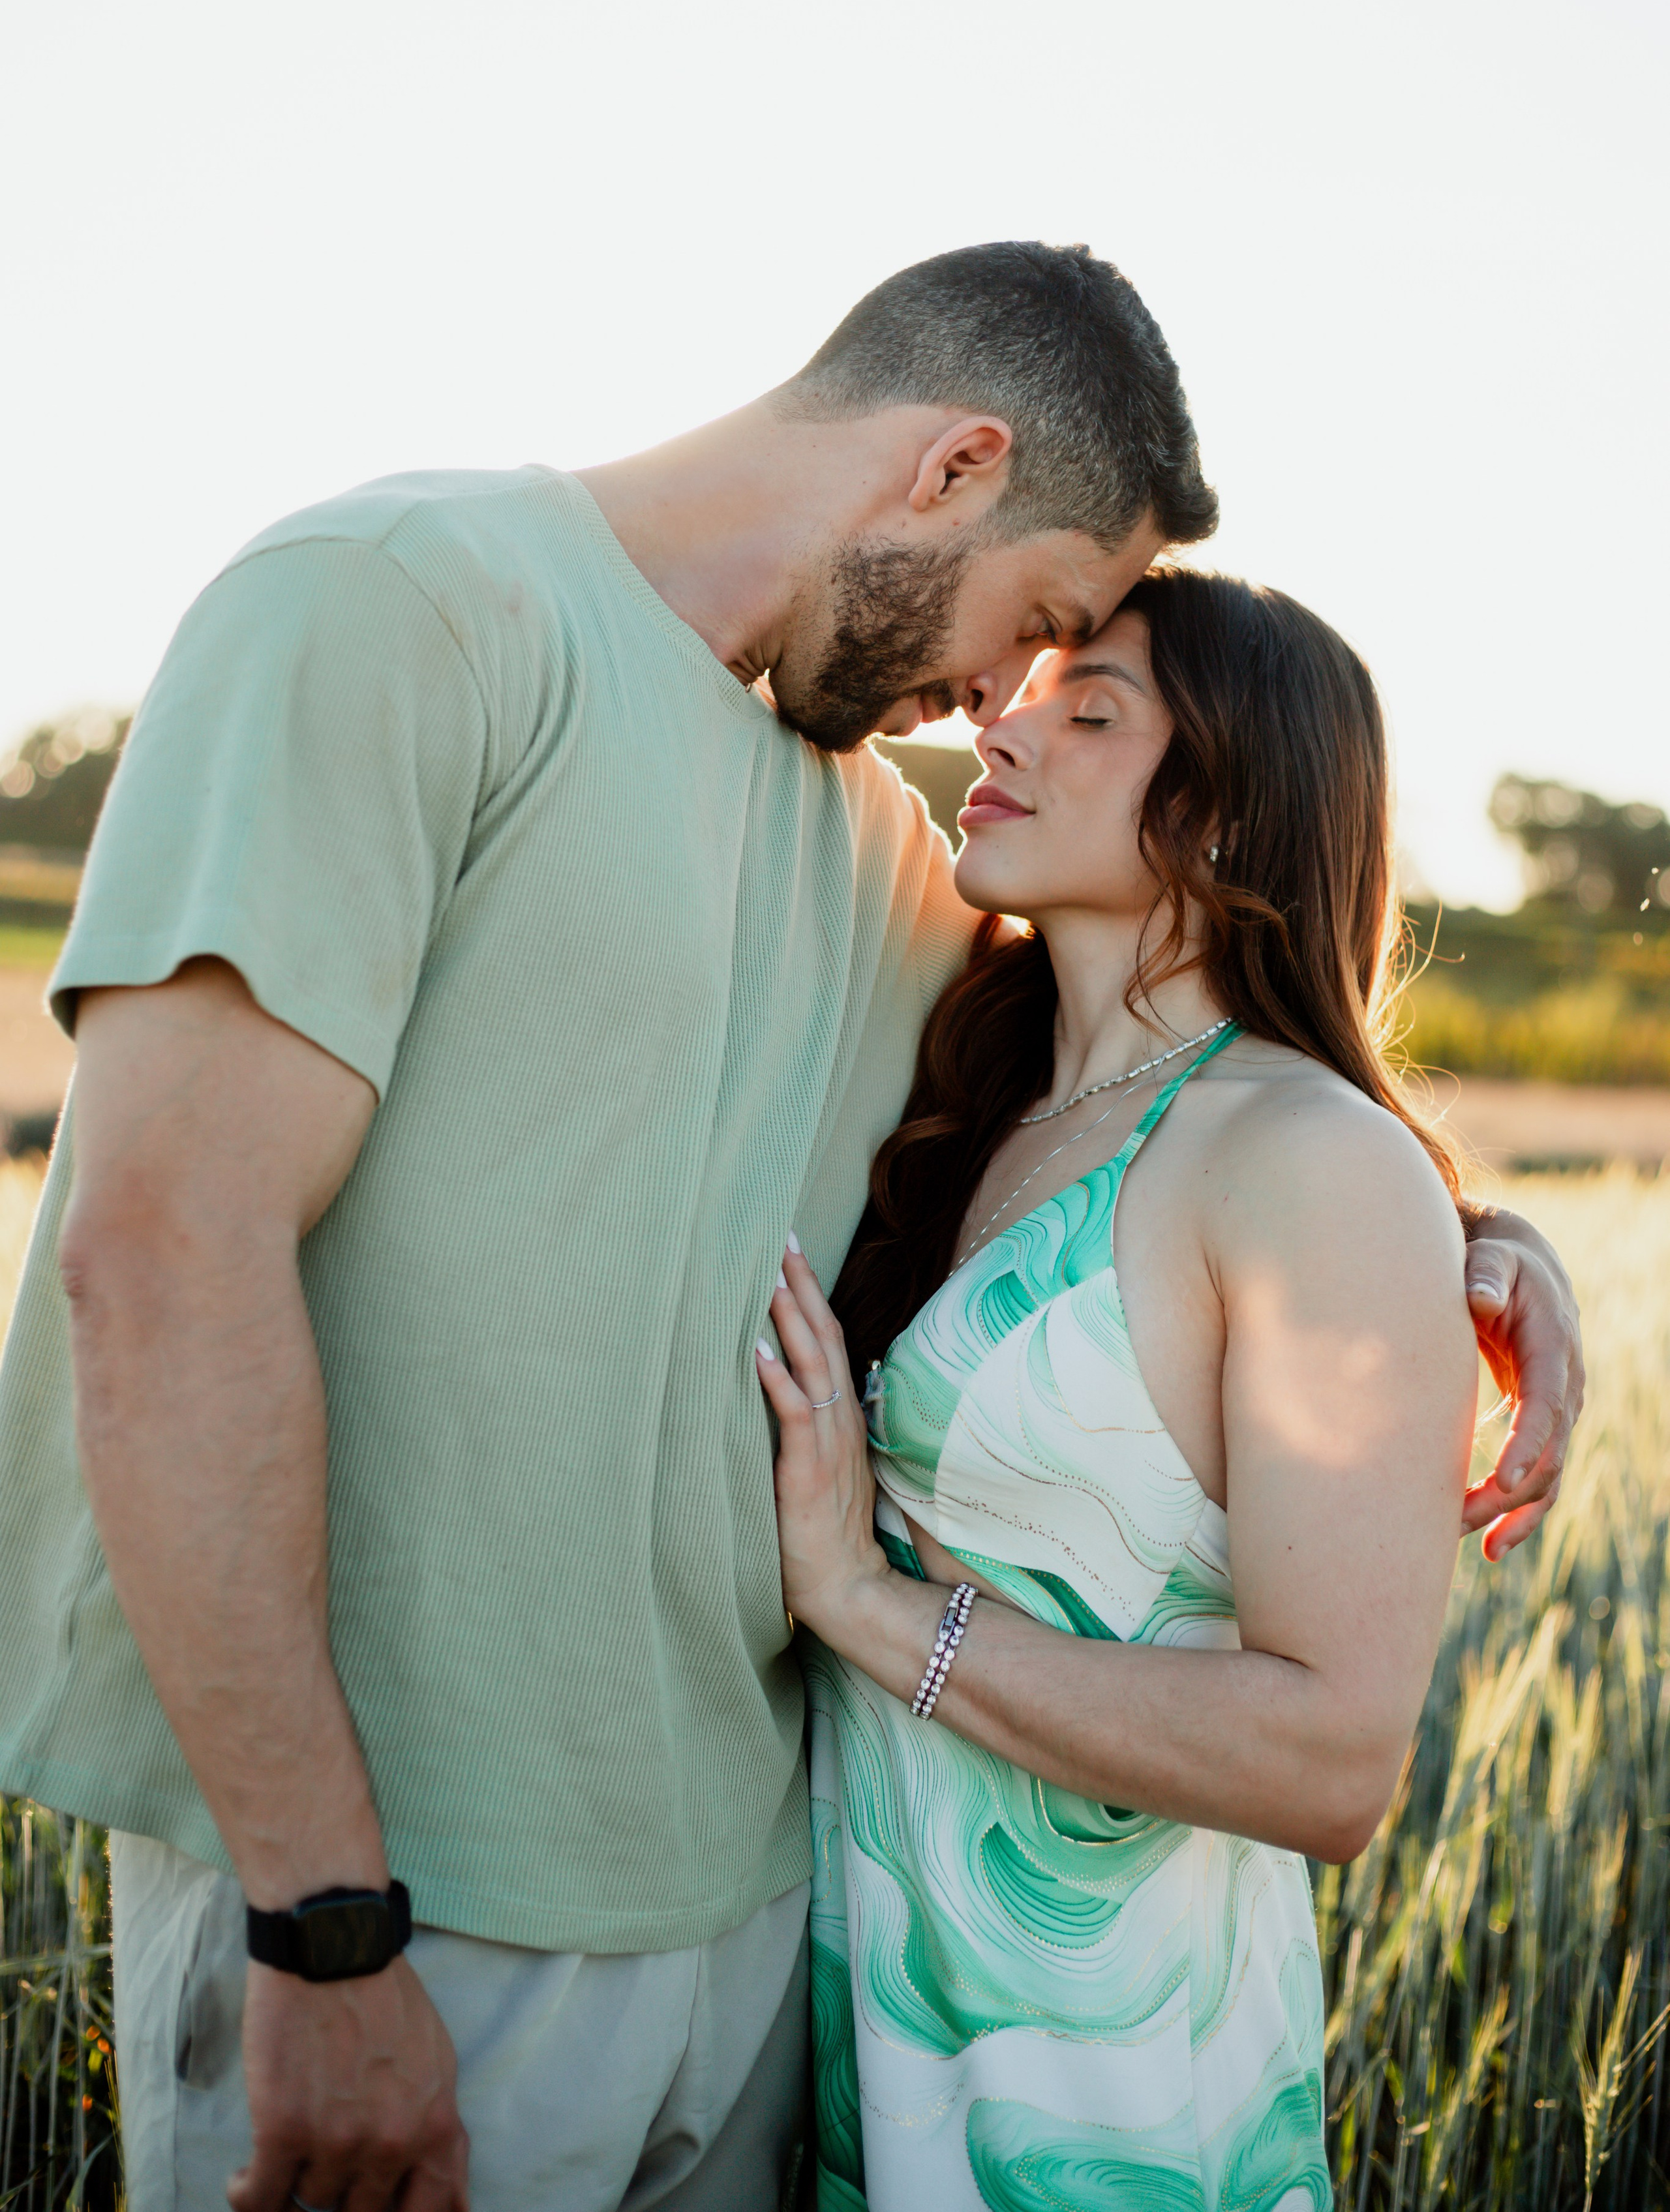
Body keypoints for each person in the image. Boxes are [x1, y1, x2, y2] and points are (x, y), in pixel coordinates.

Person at [0, 247, 1578, 2212]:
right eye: (1044, 624)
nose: (999, 698)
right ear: (953, 468)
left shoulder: (876, 850)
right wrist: (327, 1920)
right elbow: (157, 1261)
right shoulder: (402, 605)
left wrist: (1473, 1246)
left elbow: (1194, 1096)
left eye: (1079, 684)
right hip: (421, 1906)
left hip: (776, 1957)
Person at [756, 570, 1510, 2209]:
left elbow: (1331, 1760)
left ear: (1228, 812)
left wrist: (861, 1605)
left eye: (1088, 710)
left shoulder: (1306, 1158)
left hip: (1101, 2106)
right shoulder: (976, 1089)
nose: (1002, 726)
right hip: (870, 2066)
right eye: (1023, 691)